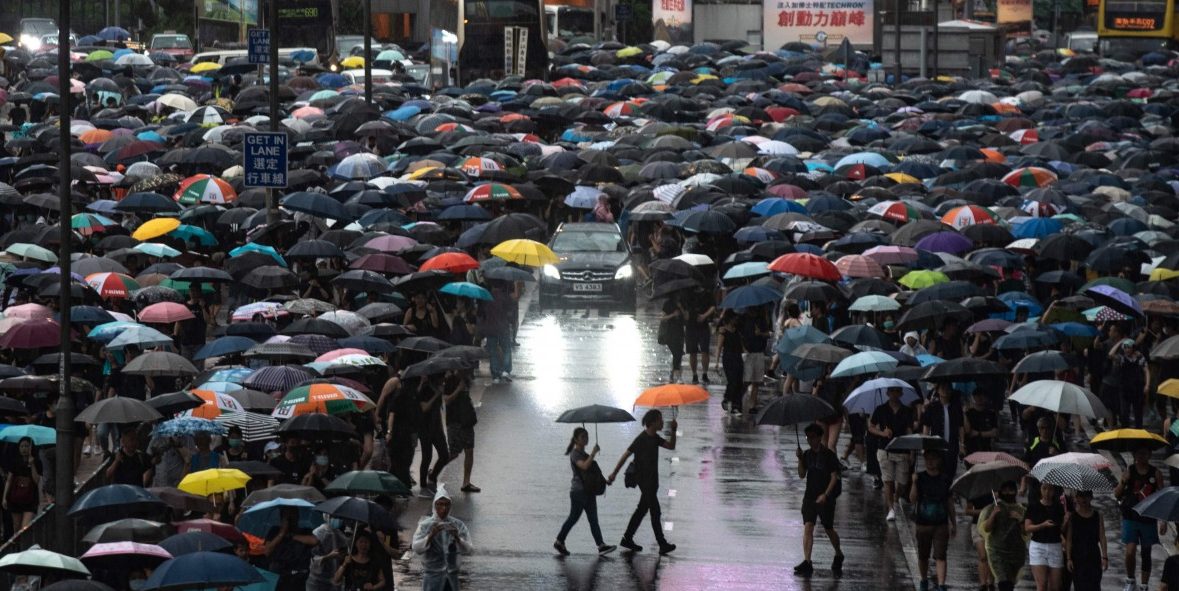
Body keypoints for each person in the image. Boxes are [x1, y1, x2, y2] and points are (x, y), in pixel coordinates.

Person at [607, 409, 677, 554]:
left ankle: (627, 538)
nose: (662, 422)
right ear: (652, 423)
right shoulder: (641, 439)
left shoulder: (655, 438)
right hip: (645, 482)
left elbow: (671, 446)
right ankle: (662, 543)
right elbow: (626, 455)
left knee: (642, 510)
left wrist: (674, 431)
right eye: (660, 419)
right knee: (655, 512)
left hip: (652, 481)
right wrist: (614, 473)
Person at [554, 427, 616, 556]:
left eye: (587, 436)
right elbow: (584, 466)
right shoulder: (575, 454)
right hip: (578, 492)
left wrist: (605, 481)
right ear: (576, 439)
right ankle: (559, 541)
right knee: (573, 518)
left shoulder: (585, 455)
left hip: (588, 492)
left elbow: (592, 474)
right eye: (583, 437)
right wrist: (593, 453)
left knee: (593, 519)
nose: (586, 439)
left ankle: (601, 545)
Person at [793, 423, 844, 577]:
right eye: (808, 437)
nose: (810, 440)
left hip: (826, 498)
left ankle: (838, 553)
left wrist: (826, 495)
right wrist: (800, 459)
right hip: (809, 497)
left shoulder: (829, 455)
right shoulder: (807, 455)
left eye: (812, 437)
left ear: (820, 437)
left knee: (828, 528)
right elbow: (802, 475)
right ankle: (807, 561)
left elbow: (834, 477)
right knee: (808, 526)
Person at [1114, 446, 1165, 591]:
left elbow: (1162, 497)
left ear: (1149, 454)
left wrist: (1163, 521)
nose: (1141, 456)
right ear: (1134, 454)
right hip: (1130, 516)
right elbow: (1117, 494)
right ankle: (1130, 579)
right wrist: (1123, 481)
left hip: (1148, 518)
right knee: (1130, 550)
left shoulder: (1156, 473)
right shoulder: (1129, 471)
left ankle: (1144, 584)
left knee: (1146, 551)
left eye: (1144, 453)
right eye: (1138, 453)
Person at [412, 485, 472, 591]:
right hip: (432, 578)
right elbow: (416, 548)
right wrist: (431, 536)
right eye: (440, 504)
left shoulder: (458, 525)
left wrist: (457, 538)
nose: (443, 509)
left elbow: (468, 549)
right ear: (434, 505)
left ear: (450, 506)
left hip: (451, 579)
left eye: (446, 505)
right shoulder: (425, 525)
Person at [910, 449, 954, 591]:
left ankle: (941, 585)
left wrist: (953, 522)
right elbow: (912, 499)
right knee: (923, 555)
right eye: (927, 458)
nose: (929, 462)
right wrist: (914, 483)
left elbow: (950, 502)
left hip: (941, 523)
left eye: (933, 458)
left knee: (941, 555)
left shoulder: (945, 479)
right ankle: (923, 580)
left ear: (939, 460)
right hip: (923, 523)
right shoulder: (920, 477)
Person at [869, 386, 914, 522]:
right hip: (885, 449)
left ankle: (895, 498)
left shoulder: (907, 411)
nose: (894, 394)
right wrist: (882, 433)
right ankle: (890, 508)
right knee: (888, 481)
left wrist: (912, 451)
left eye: (897, 391)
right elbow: (871, 426)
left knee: (902, 482)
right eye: (892, 391)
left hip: (902, 450)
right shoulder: (881, 409)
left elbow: (909, 430)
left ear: (901, 393)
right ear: (888, 393)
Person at [979, 481, 1027, 591]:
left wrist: (1019, 519)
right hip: (997, 551)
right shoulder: (993, 508)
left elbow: (1026, 531)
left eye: (1011, 490)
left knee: (1010, 583)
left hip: (1016, 552)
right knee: (1003, 582)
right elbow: (986, 528)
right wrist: (993, 515)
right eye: (1005, 490)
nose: (1008, 493)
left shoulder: (1021, 509)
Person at [1025, 481, 1066, 591]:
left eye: (1050, 489)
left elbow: (1061, 528)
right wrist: (1042, 525)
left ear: (1054, 491)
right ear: (1040, 490)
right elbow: (1028, 528)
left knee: (1055, 586)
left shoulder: (1059, 507)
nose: (1047, 492)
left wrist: (1065, 522)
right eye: (1044, 488)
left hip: (1055, 545)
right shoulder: (1033, 506)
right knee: (1041, 585)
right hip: (1038, 546)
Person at [442, 371, 479, 493]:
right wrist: (458, 389)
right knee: (454, 452)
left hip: (466, 421)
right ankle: (435, 470)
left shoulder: (466, 378)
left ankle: (466, 482)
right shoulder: (450, 380)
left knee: (469, 450)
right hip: (454, 421)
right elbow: (447, 400)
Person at [265, 506, 318, 591]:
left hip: (299, 576)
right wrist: (281, 533)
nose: (290, 520)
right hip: (279, 575)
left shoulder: (305, 531)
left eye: (292, 516)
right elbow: (267, 551)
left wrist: (292, 536)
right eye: (287, 517)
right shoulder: (274, 531)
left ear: (297, 517)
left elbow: (314, 541)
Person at [1064, 490, 1106, 591]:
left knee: (1094, 585)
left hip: (1093, 556)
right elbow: (1069, 540)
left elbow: (1102, 537)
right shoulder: (1072, 517)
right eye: (1081, 496)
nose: (1083, 499)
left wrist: (1105, 556)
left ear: (1091, 497)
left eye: (1086, 496)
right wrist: (1069, 558)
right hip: (1077, 557)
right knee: (1079, 586)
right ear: (1076, 498)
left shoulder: (1097, 516)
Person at [920, 384, 964, 480]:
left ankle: (948, 492)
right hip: (936, 445)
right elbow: (926, 426)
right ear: (938, 391)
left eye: (948, 388)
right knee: (937, 472)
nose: (945, 390)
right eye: (943, 388)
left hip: (952, 445)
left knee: (951, 471)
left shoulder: (956, 407)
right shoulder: (932, 407)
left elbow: (960, 426)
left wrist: (962, 444)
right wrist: (925, 445)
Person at [3, 437, 40, 530]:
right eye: (22, 446)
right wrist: (4, 497)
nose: (24, 449)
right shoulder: (14, 462)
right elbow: (9, 480)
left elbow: (36, 480)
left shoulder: (36, 462)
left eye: (27, 446)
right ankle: (17, 545)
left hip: (30, 499)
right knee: (16, 526)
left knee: (25, 527)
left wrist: (32, 465)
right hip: (15, 498)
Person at [715, 311, 745, 415]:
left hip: (738, 357)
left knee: (739, 382)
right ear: (730, 319)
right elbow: (719, 347)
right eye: (734, 318)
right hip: (728, 358)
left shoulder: (737, 330)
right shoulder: (723, 331)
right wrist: (717, 362)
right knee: (732, 381)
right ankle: (727, 398)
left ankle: (736, 406)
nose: (736, 320)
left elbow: (741, 344)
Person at [307, 516, 348, 591]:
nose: (337, 519)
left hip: (333, 578)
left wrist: (342, 556)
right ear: (327, 516)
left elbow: (344, 553)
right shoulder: (319, 532)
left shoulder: (339, 534)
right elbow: (312, 558)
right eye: (333, 516)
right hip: (317, 580)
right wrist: (328, 557)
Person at [684, 286, 716, 384]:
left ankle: (705, 374)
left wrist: (704, 316)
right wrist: (685, 314)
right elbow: (683, 306)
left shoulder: (707, 293)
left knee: (704, 351)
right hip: (690, 326)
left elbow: (713, 306)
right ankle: (694, 374)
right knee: (692, 352)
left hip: (703, 326)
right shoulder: (687, 292)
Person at [658, 293, 686, 383]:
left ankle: (672, 373)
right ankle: (678, 376)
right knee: (677, 353)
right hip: (670, 333)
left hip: (680, 333)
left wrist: (681, 307)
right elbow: (662, 318)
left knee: (678, 354)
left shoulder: (683, 303)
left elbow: (686, 317)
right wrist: (673, 315)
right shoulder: (667, 304)